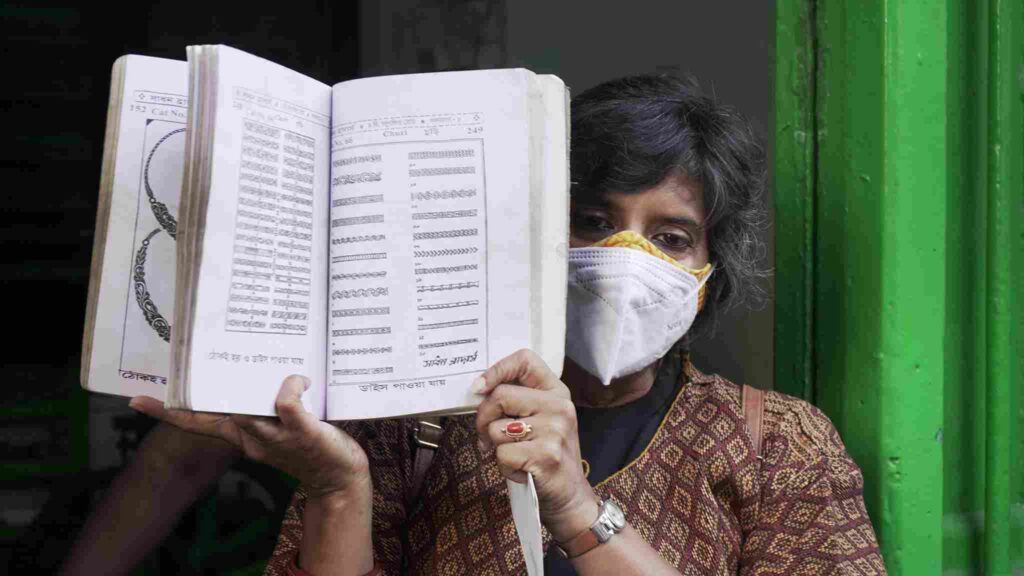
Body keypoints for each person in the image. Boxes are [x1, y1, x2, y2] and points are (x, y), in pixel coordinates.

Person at [131, 75, 886, 575]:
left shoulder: (779, 443)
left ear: (709, 271)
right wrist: (336, 487)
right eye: (591, 221)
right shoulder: (413, 423)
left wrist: (577, 509)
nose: (625, 259)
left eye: (671, 237)